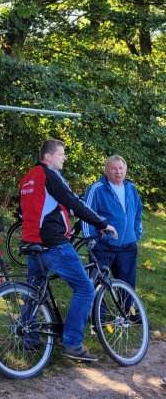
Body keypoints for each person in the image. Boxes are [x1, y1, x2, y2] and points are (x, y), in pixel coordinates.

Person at [19, 139, 117, 362]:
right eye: (61, 154)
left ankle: (29, 337)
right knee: (85, 289)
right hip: (52, 243)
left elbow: (24, 209)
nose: (64, 158)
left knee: (34, 293)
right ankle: (72, 343)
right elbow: (73, 201)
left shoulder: (27, 178)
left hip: (31, 241)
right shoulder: (48, 175)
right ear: (48, 157)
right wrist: (102, 223)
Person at [82, 155, 143, 291]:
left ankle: (127, 312)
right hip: (103, 246)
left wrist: (136, 235)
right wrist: (91, 242)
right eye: (113, 168)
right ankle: (98, 312)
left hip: (128, 247)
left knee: (127, 286)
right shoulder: (96, 189)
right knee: (96, 285)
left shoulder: (130, 188)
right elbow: (86, 215)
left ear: (125, 170)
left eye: (121, 168)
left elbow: (138, 211)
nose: (118, 172)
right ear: (106, 171)